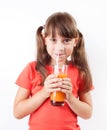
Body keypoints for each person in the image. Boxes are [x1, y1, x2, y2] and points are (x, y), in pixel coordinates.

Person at [13, 12, 94, 130]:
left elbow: (87, 113)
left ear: (75, 41)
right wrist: (44, 92)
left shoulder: (80, 72)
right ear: (44, 39)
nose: (60, 48)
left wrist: (70, 98)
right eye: (53, 40)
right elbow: (17, 112)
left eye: (66, 40)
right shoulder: (32, 69)